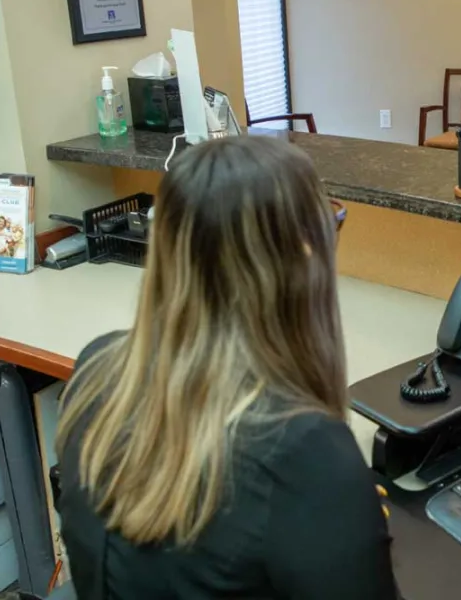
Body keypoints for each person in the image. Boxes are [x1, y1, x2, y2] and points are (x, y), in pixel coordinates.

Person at [56, 136, 399, 599]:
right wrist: (346, 513)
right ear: (301, 256)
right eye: (330, 225)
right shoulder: (303, 452)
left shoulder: (96, 366)